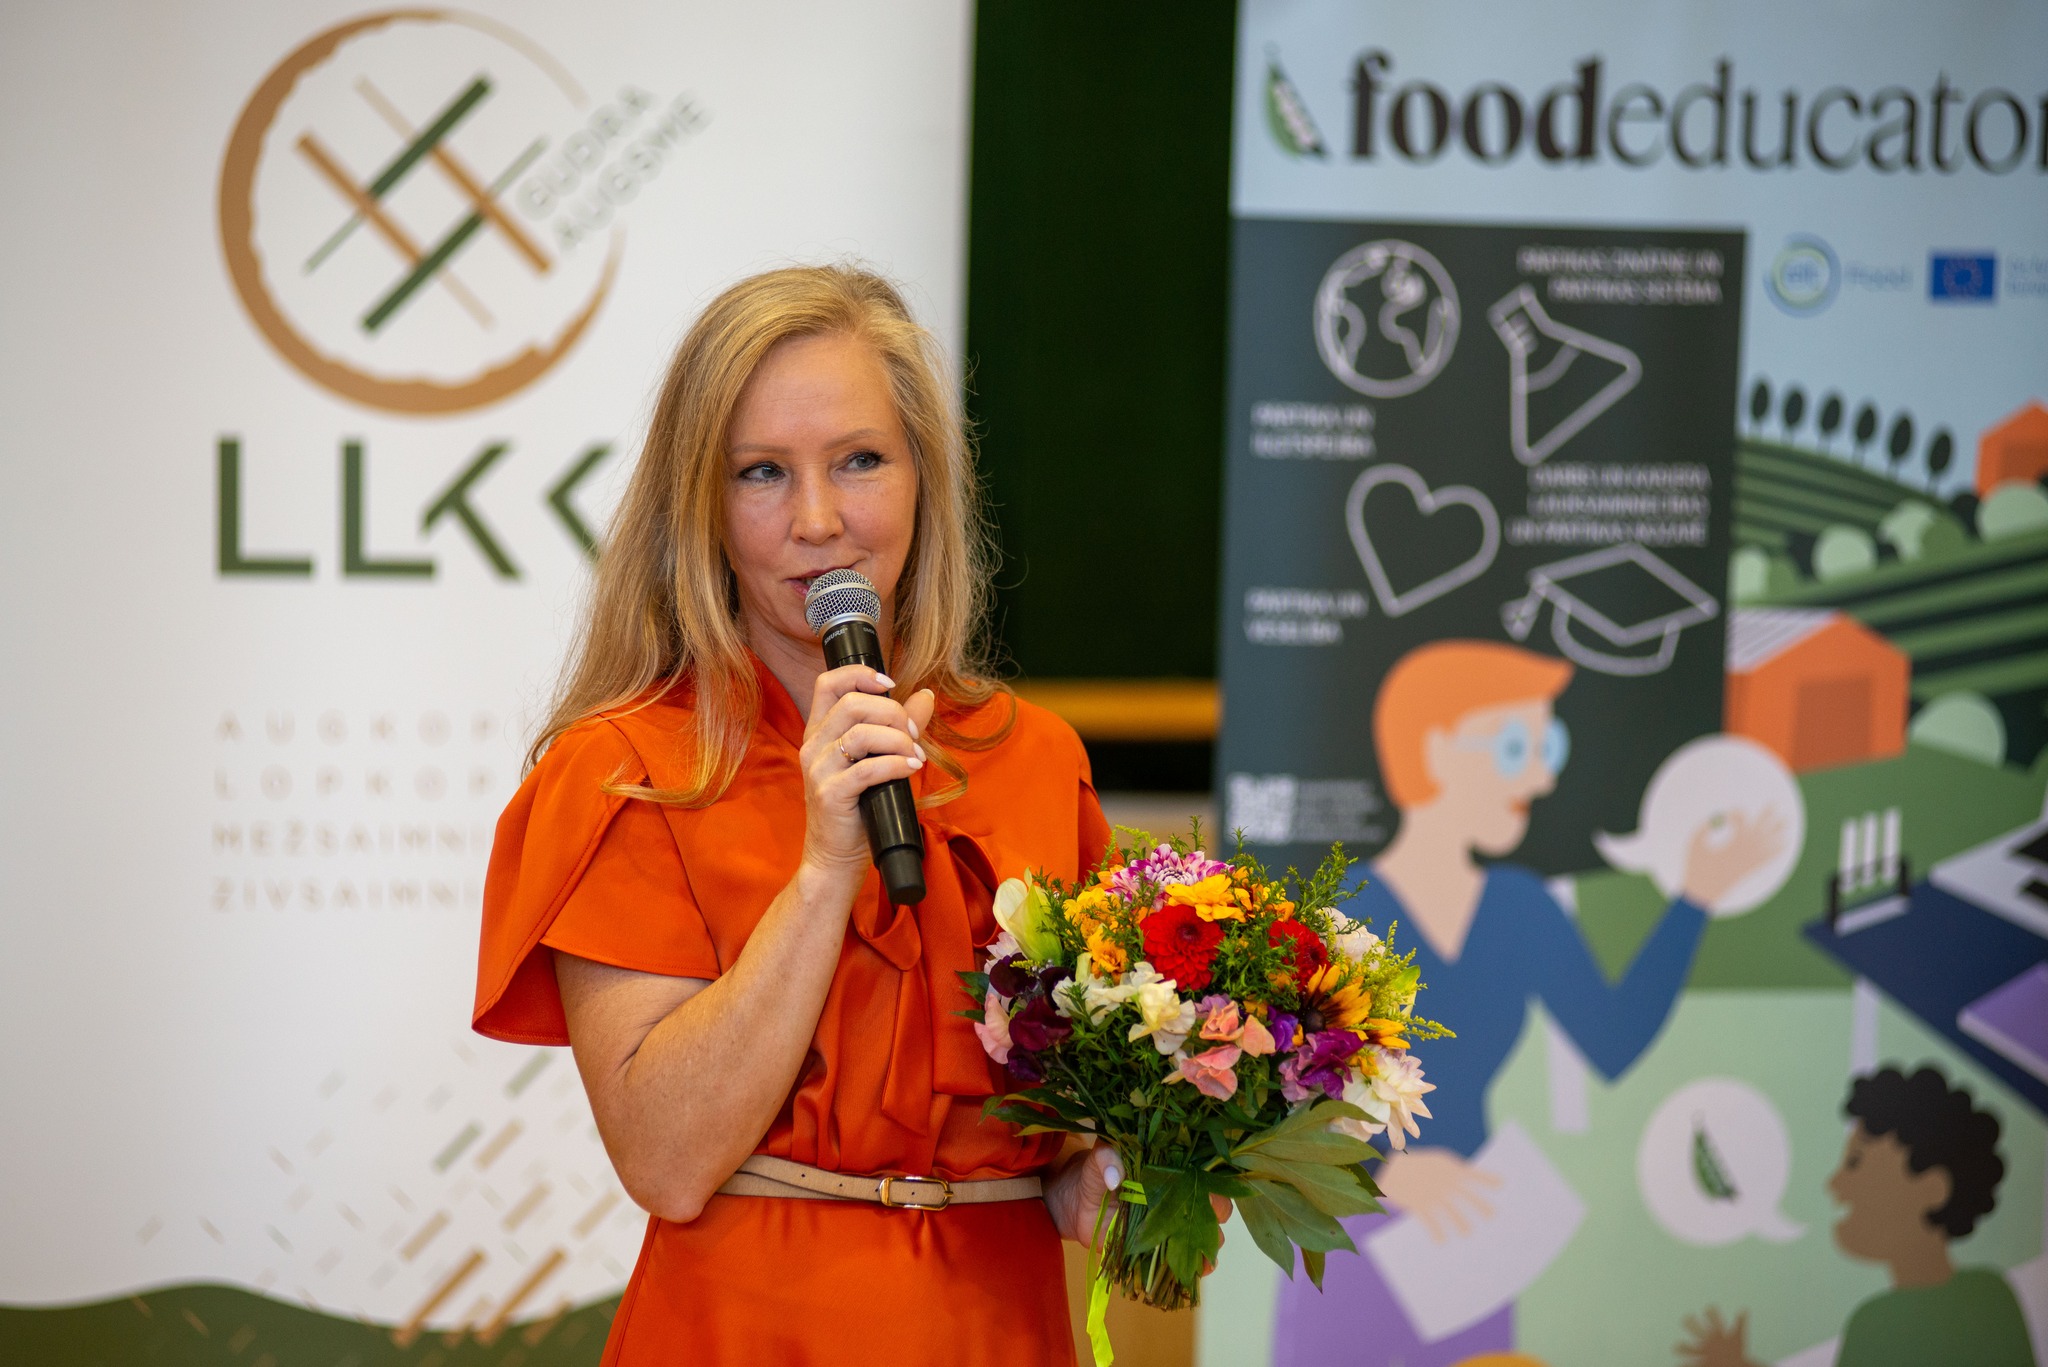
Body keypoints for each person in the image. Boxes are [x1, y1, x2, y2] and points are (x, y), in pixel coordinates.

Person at [471, 265, 1133, 1364]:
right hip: (744, 1330)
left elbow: (1055, 1130)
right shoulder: (629, 768)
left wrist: (1101, 1178)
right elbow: (666, 1159)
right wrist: (825, 869)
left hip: (998, 1326)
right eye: (762, 472)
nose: (818, 520)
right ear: (701, 506)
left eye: (860, 460)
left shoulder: (1032, 755)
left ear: (924, 479)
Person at [1274, 640, 1783, 1367]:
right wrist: (1385, 1171)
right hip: (1346, 1238)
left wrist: (1693, 899)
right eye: (1516, 747)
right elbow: (1273, 1093)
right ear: (1436, 749)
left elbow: (1612, 1038)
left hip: (1470, 1245)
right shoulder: (1341, 914)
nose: (1541, 776)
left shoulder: (1521, 906)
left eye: (1550, 746)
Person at [1679, 1065, 2035, 1367]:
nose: (1835, 1184)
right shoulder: (1980, 1297)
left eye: (1855, 1163)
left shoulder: (1976, 1303)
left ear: (1932, 1188)